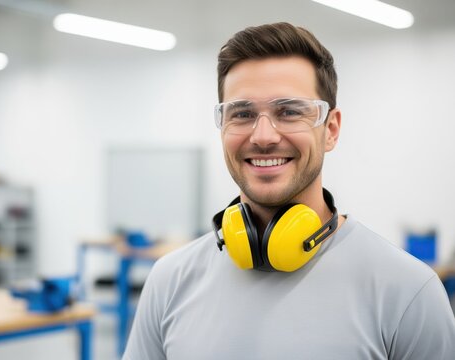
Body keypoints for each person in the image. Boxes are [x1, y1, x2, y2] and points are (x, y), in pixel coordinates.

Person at [122, 22, 455, 359]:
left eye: (290, 111)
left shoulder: (408, 292)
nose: (263, 136)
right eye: (242, 113)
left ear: (331, 130)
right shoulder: (169, 280)